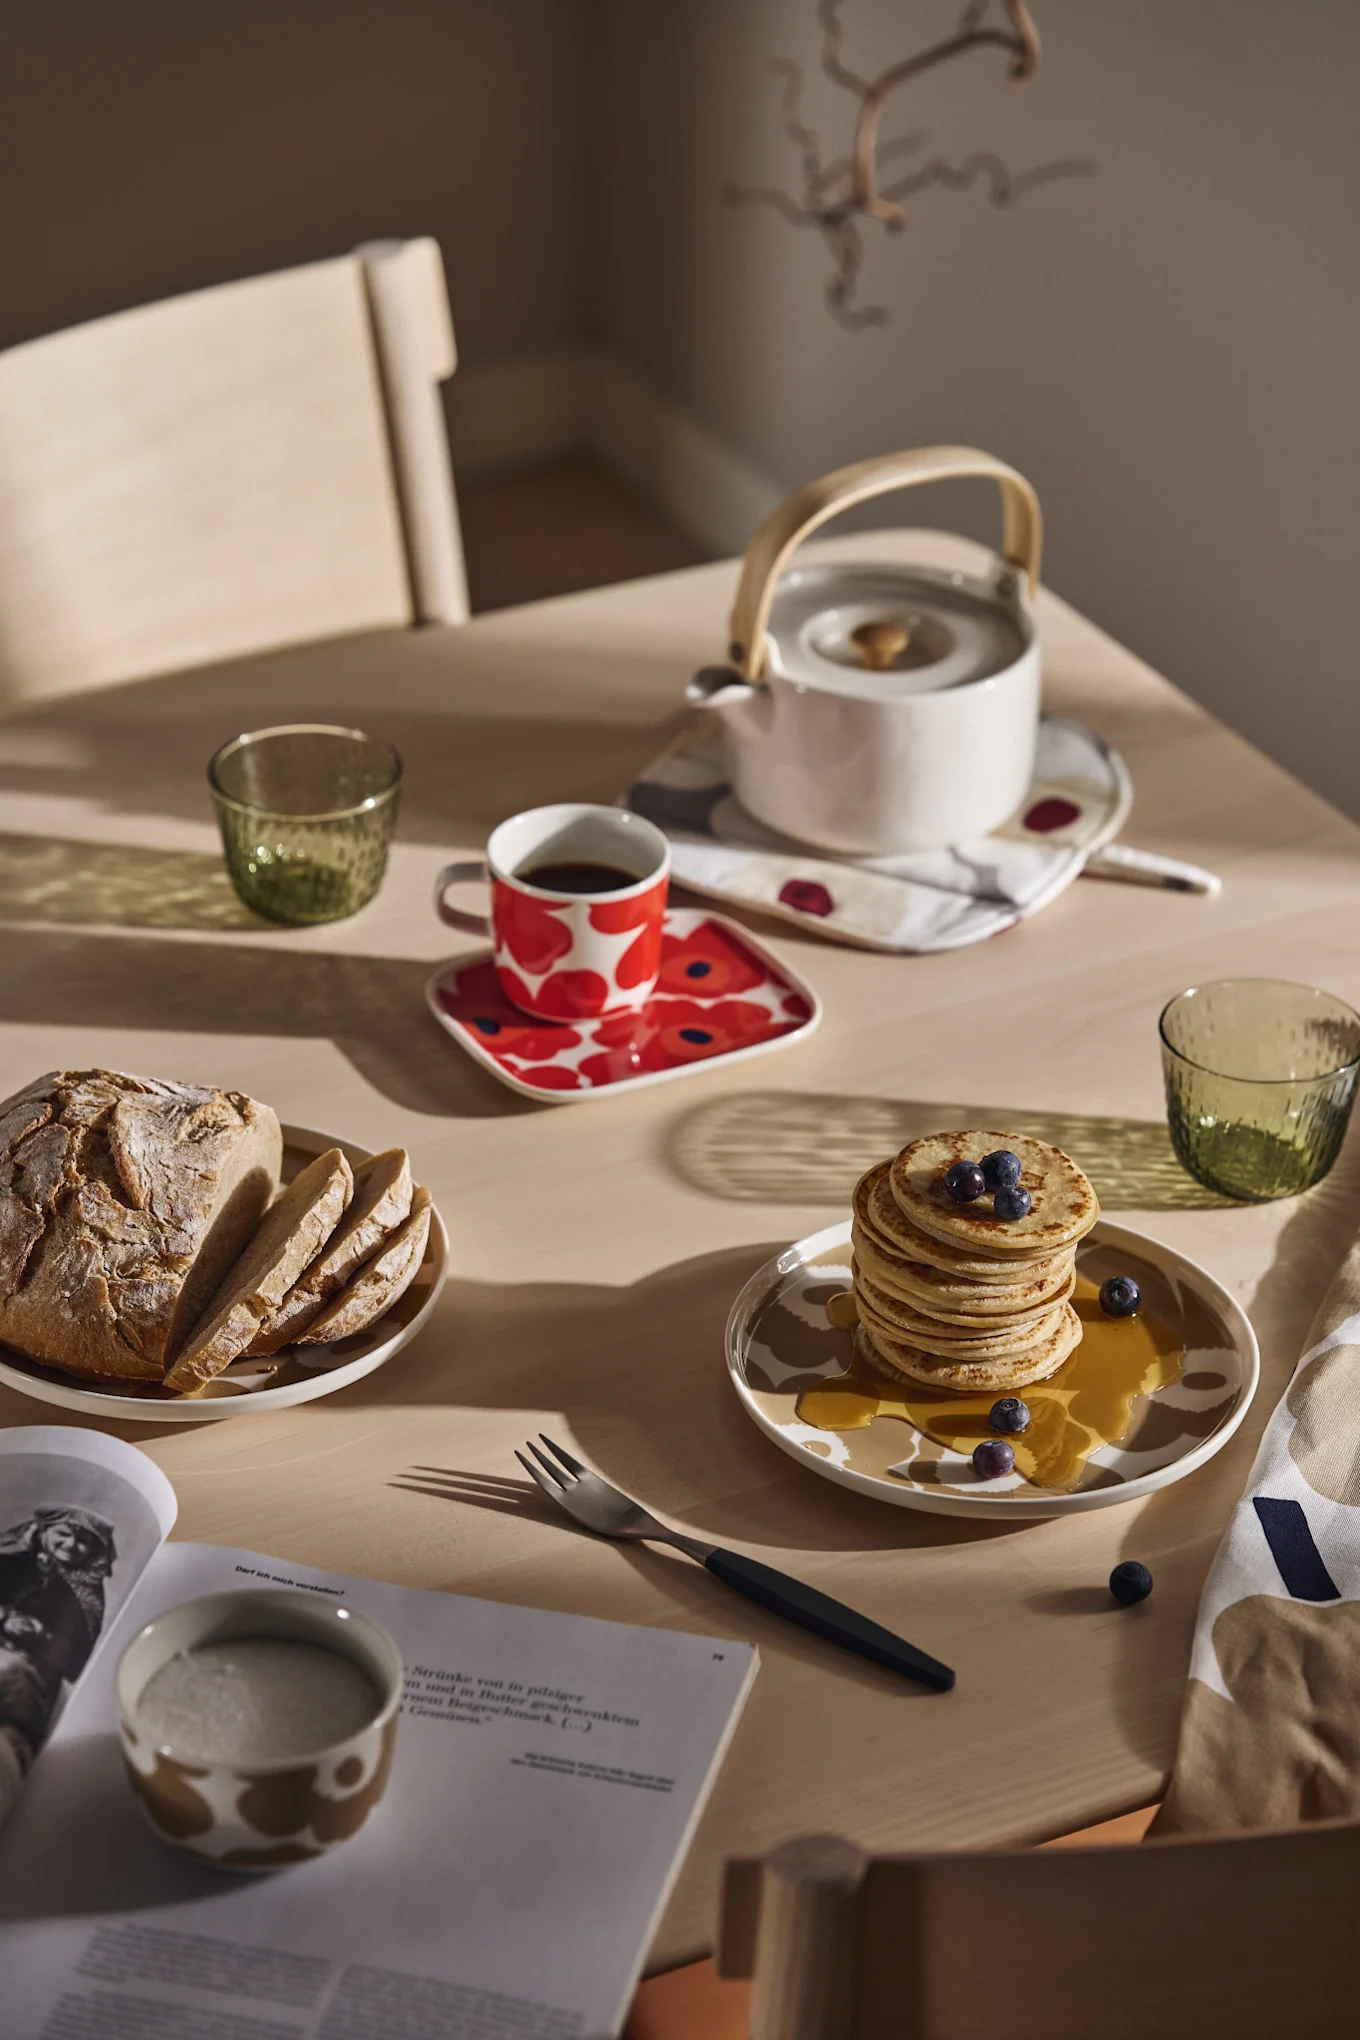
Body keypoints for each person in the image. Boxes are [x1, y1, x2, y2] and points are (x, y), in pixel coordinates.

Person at [0, 1506, 116, 1811]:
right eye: (63, 1533)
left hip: (30, 1674)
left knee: (13, 1678)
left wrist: (43, 1637)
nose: (70, 1544)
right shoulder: (8, 1561)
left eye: (83, 1542)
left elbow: (76, 1659)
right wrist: (4, 1618)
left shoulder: (86, 1594)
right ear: (42, 1531)